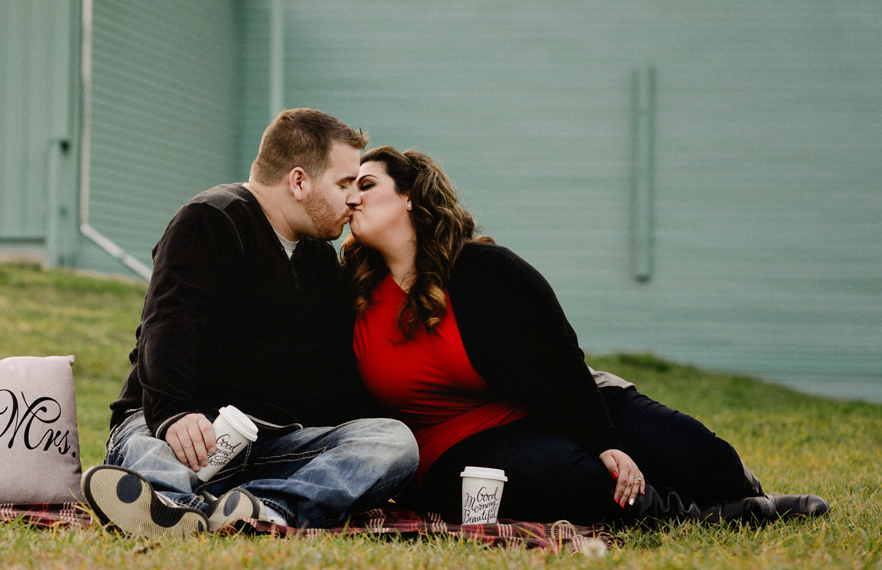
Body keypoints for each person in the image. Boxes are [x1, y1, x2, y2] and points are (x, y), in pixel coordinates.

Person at [345, 145, 829, 526]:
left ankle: (740, 490)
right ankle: (699, 518)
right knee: (592, 484)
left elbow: (556, 357)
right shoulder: (350, 292)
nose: (352, 197)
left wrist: (603, 439)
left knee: (695, 452)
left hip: (558, 400)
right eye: (349, 188)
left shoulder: (481, 270)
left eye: (367, 184)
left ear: (409, 195)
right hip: (457, 447)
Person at [82, 110, 420, 537]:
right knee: (151, 453)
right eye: (343, 184)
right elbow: (167, 327)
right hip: (177, 425)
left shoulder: (318, 258)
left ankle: (265, 509)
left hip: (267, 446)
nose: (354, 198)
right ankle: (172, 507)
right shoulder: (211, 218)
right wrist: (174, 413)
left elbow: (335, 375)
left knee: (393, 443)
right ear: (299, 182)